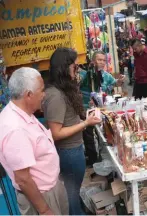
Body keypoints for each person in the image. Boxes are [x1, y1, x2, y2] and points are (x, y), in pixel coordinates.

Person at [0, 67, 68, 215]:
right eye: (41, 90)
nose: (44, 95)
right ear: (29, 95)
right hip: (42, 197)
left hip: (50, 188)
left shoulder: (24, 113)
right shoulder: (15, 129)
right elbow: (23, 178)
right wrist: (44, 210)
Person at [42, 48, 101, 215]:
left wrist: (84, 117)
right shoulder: (55, 96)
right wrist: (85, 124)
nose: (79, 70)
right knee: (71, 198)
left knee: (73, 193)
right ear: (64, 67)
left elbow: (68, 118)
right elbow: (56, 133)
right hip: (68, 153)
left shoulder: (63, 90)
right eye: (75, 66)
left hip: (73, 150)